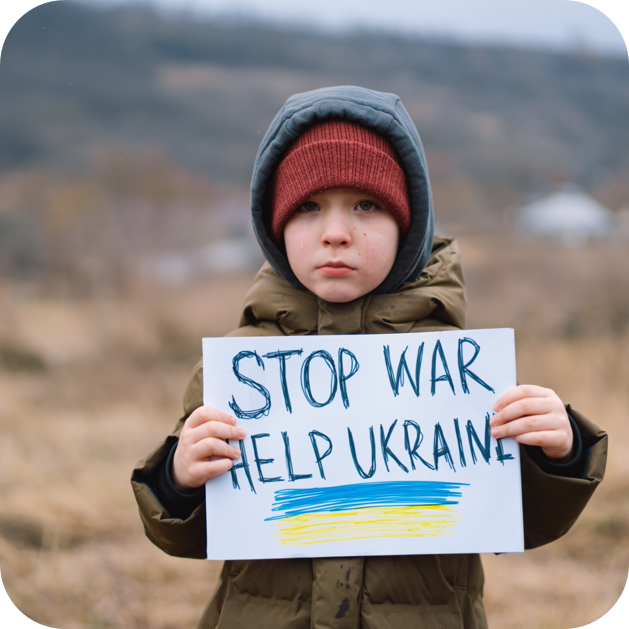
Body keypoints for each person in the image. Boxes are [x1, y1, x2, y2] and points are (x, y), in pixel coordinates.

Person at [132, 86, 607, 629]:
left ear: (407, 225)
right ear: (274, 226)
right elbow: (184, 533)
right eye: (308, 208)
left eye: (366, 205)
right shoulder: (240, 373)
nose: (336, 233)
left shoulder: (460, 370)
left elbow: (522, 520)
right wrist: (178, 480)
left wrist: (559, 455)